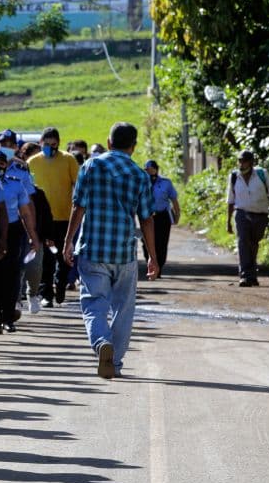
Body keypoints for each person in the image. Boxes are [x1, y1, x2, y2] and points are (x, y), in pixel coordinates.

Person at [63, 122, 158, 380]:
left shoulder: (91, 166)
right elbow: (147, 219)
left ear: (108, 141)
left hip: (93, 249)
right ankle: (114, 362)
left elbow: (78, 206)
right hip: (124, 252)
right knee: (123, 308)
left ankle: (101, 342)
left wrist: (68, 241)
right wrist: (152, 256)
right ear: (134, 146)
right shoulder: (139, 175)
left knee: (94, 303)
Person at [0, 148, 40, 333]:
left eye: (2, 163)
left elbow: (25, 212)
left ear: (7, 165)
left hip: (13, 232)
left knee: (11, 276)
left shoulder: (15, 184)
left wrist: (33, 236)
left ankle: (8, 318)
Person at [29, 126, 80, 307]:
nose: (50, 147)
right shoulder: (33, 162)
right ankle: (47, 294)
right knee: (46, 259)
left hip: (64, 217)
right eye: (46, 144)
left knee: (63, 256)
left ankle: (61, 284)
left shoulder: (68, 160)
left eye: (53, 144)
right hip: (43, 220)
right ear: (40, 143)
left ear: (58, 143)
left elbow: (78, 185)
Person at [226, 150, 269, 287]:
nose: (241, 163)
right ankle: (245, 276)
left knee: (253, 243)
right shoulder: (234, 176)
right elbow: (230, 200)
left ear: (251, 162)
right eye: (239, 161)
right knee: (243, 242)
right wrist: (228, 221)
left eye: (244, 161)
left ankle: (252, 275)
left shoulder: (261, 174)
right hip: (242, 213)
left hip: (260, 214)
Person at [18, 142, 54, 314]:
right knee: (16, 270)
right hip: (16, 235)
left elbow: (46, 215)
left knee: (34, 268)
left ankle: (32, 294)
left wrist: (47, 235)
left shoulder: (38, 194)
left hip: (36, 236)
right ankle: (15, 300)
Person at [143, 159, 180, 278]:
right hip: (147, 215)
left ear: (155, 169)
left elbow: (174, 199)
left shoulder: (166, 183)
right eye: (146, 169)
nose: (148, 171)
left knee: (161, 243)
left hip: (162, 216)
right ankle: (151, 264)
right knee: (146, 243)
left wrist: (177, 214)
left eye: (150, 169)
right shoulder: (142, 183)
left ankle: (159, 267)